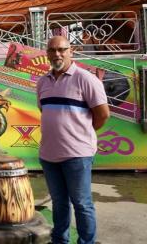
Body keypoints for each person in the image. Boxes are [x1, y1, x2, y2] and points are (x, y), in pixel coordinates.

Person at [36, 36, 110, 244]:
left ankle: (87, 241)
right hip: (49, 155)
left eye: (61, 49)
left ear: (71, 51)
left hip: (77, 155)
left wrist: (82, 133)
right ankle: (60, 240)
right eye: (52, 50)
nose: (57, 54)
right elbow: (45, 111)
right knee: (59, 203)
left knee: (81, 203)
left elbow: (103, 114)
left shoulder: (86, 79)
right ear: (47, 53)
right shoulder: (42, 82)